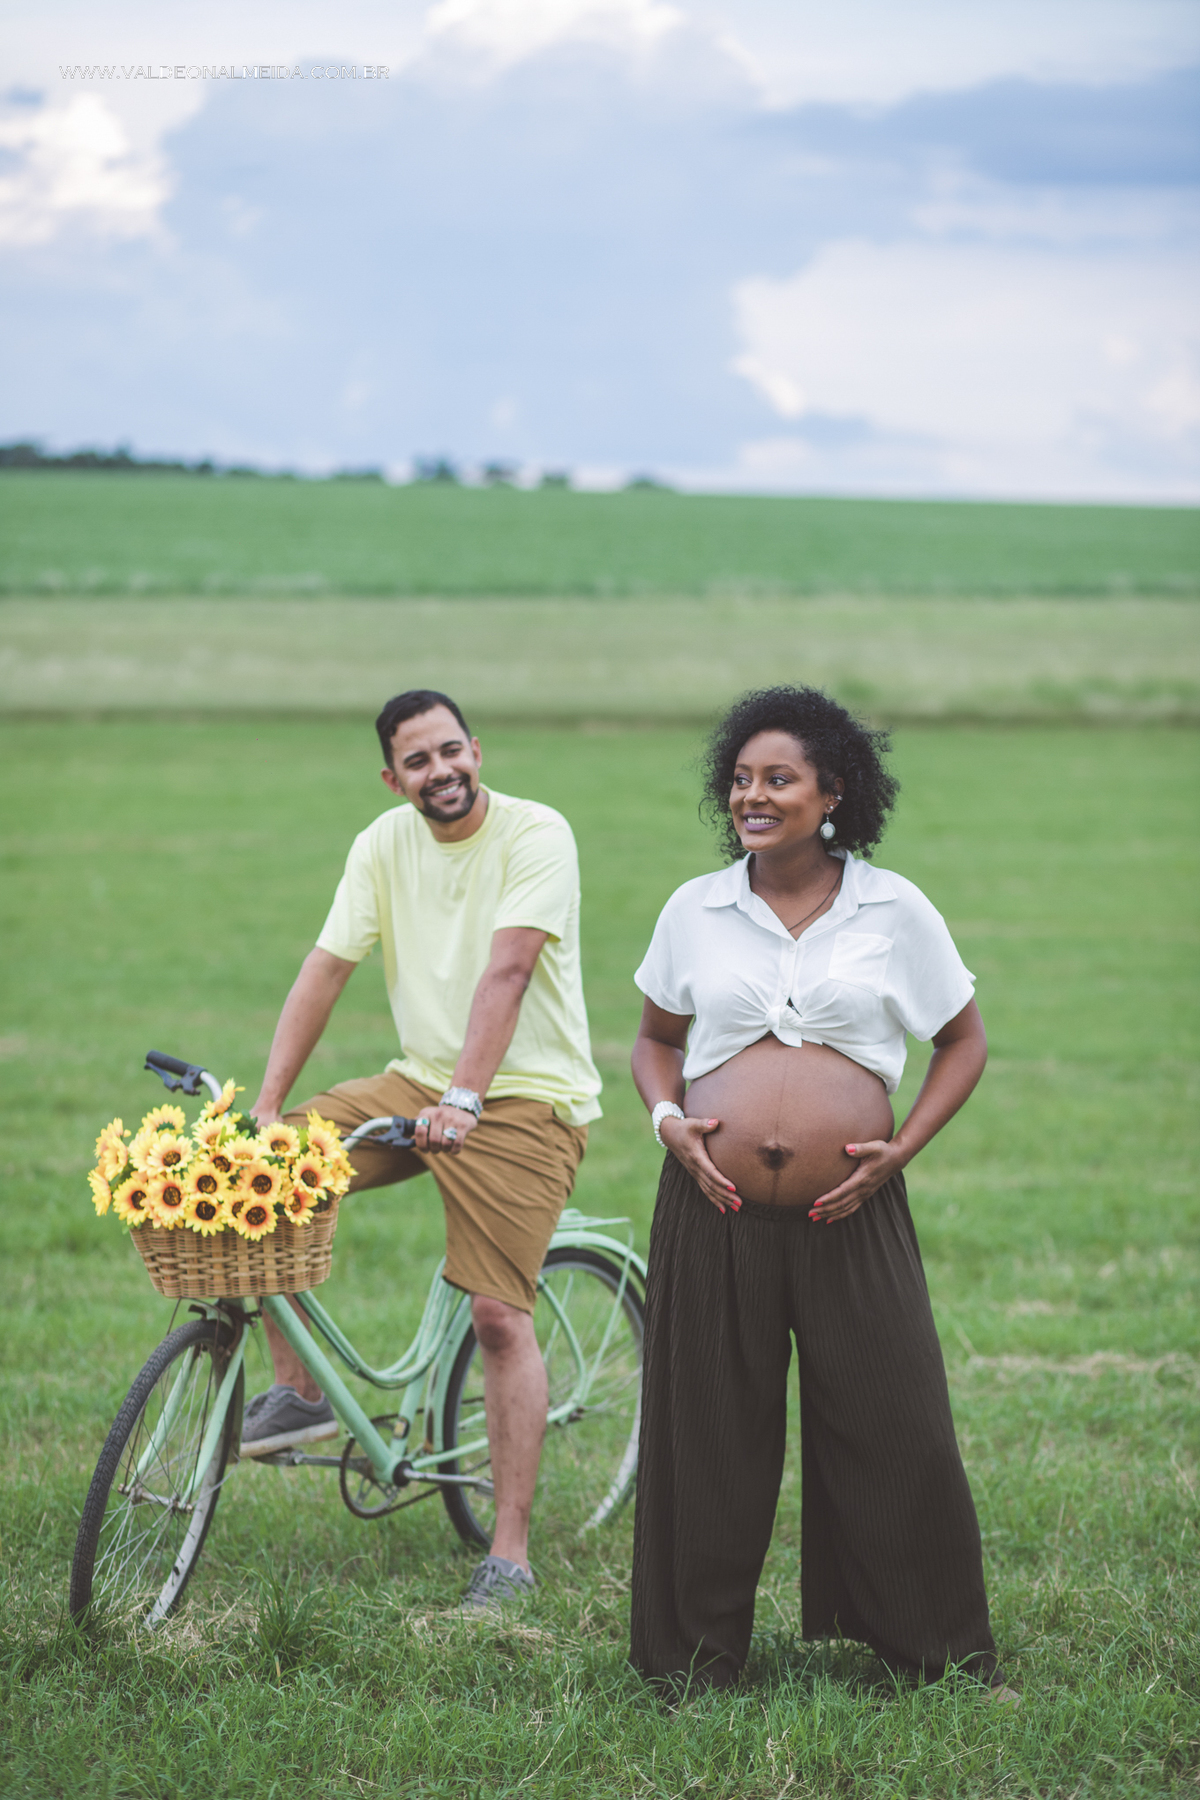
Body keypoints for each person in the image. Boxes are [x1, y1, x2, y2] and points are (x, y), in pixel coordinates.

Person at [629, 685, 1005, 1697]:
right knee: (708, 1430)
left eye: (778, 779)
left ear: (832, 793)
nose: (752, 796)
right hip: (713, 1206)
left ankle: (933, 1654)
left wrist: (901, 1150)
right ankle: (691, 1662)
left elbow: (962, 1041)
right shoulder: (695, 909)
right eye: (740, 779)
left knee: (895, 1421)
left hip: (854, 1209)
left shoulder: (895, 908)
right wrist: (668, 1123)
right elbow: (655, 1040)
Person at [241, 689, 602, 1612]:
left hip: (524, 1099)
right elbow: (327, 968)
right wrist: (270, 1106)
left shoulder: (536, 833)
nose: (439, 771)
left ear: (477, 750)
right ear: (392, 777)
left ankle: (509, 1554)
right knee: (261, 1176)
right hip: (419, 1080)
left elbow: (508, 970)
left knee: (497, 1315)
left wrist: (466, 1098)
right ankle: (299, 1394)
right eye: (417, 761)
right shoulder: (382, 844)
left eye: (450, 751)